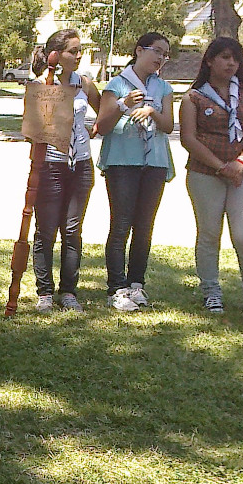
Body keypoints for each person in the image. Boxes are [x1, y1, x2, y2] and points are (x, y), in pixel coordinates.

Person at [179, 36, 243, 315]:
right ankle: (211, 293)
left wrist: (240, 162)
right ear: (210, 61)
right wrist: (220, 167)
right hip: (205, 173)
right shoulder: (194, 97)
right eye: (225, 57)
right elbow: (188, 139)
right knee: (209, 234)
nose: (231, 63)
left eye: (236, 59)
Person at [95, 32, 176, 311]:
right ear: (139, 51)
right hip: (122, 161)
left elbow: (168, 125)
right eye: (156, 51)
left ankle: (136, 284)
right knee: (121, 224)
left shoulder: (163, 87)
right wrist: (124, 104)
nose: (160, 58)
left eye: (165, 54)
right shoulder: (117, 84)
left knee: (144, 226)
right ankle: (116, 288)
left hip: (154, 163)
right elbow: (102, 127)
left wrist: (152, 112)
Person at [29, 29, 101, 313]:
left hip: (80, 163)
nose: (79, 55)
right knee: (46, 230)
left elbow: (102, 109)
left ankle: (68, 291)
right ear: (55, 55)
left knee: (72, 230)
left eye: (80, 50)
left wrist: (93, 129)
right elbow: (32, 130)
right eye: (73, 51)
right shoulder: (40, 84)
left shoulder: (84, 83)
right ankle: (45, 292)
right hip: (50, 164)